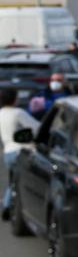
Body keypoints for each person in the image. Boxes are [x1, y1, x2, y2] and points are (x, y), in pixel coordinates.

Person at [0, 88, 39, 222]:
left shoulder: (1, 113)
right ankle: (9, 206)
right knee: (19, 181)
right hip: (20, 151)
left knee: (13, 180)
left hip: (7, 151)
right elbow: (36, 127)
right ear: (15, 99)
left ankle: (7, 204)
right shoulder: (18, 113)